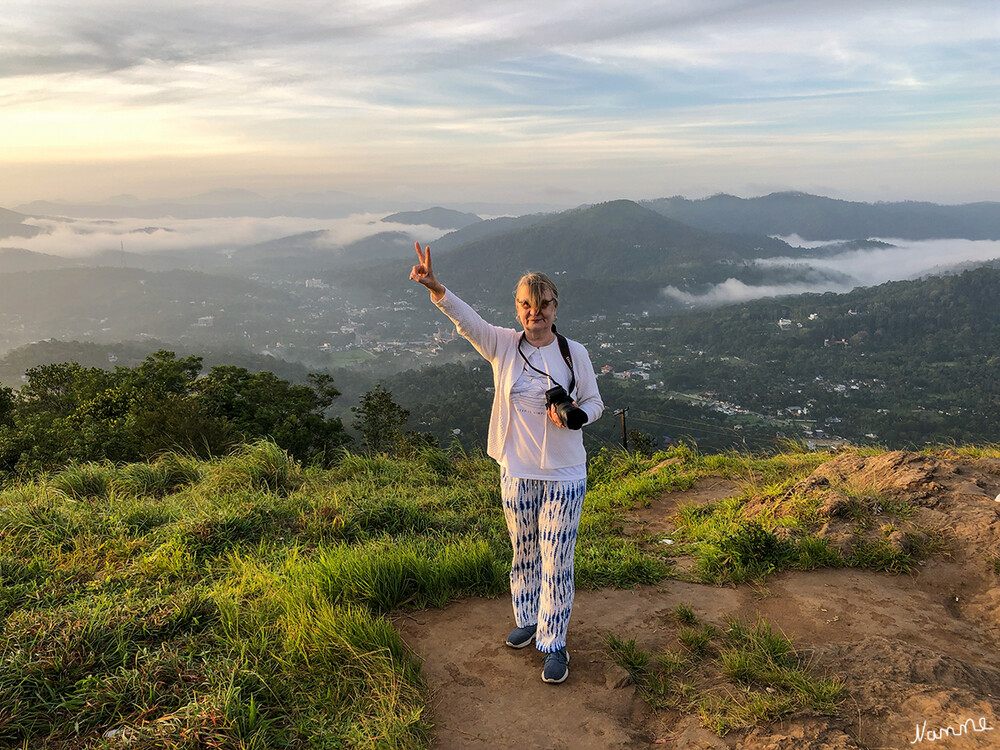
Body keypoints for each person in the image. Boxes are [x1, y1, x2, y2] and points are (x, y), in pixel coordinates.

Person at [409, 241, 603, 684]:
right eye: (526, 305)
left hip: (564, 474)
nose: (535, 312)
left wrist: (576, 416)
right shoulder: (502, 345)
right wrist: (436, 288)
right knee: (525, 552)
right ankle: (529, 617)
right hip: (516, 469)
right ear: (517, 309)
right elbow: (467, 321)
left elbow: (595, 403)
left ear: (556, 307)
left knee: (557, 557)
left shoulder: (575, 353)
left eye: (543, 304)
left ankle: (554, 644)